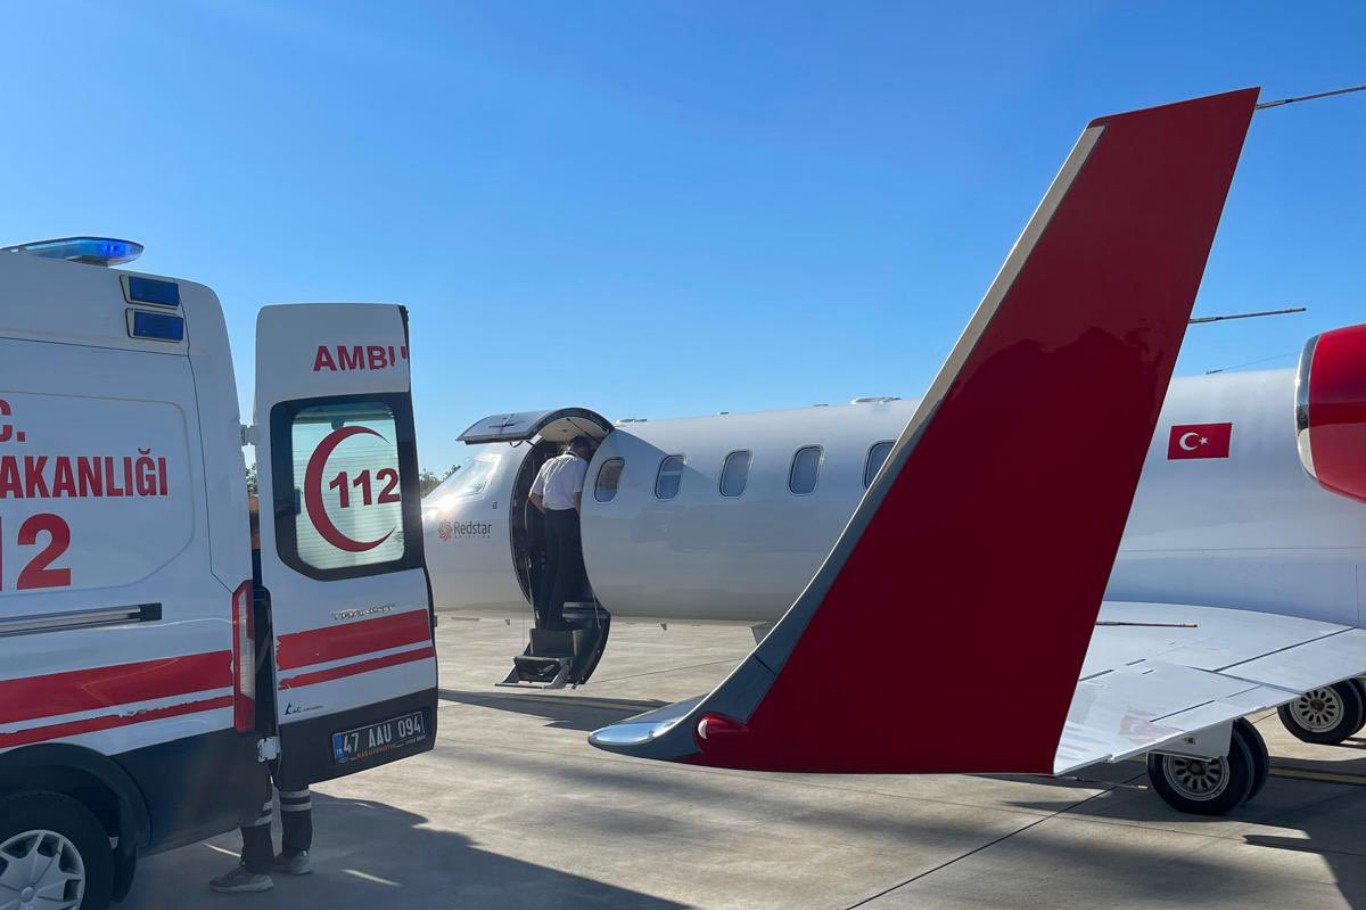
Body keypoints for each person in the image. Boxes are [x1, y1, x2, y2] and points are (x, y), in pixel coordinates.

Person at [210, 495, 314, 894]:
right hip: (289, 679)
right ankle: (297, 852)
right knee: (291, 768)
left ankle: (255, 865)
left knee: (250, 769)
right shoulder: (288, 564)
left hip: (252, 683)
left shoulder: (240, 570)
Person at [528, 436, 592, 630]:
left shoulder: (549, 463)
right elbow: (577, 495)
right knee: (565, 570)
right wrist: (584, 520)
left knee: (552, 568)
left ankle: (545, 616)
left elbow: (533, 495)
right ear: (582, 449)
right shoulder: (579, 464)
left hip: (550, 520)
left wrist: (548, 513)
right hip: (568, 518)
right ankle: (555, 618)